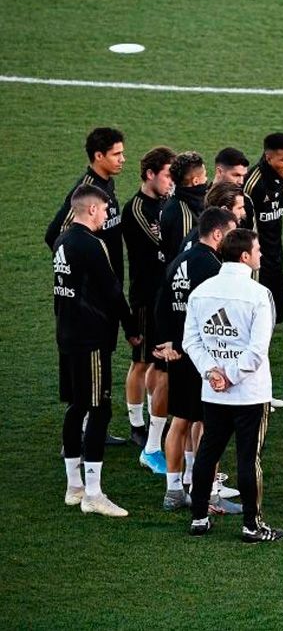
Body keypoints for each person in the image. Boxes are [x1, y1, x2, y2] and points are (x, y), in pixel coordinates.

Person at [182, 228, 283, 542]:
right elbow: (256, 351)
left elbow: (191, 341)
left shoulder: (201, 291)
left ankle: (199, 518)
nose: (261, 255)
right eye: (257, 250)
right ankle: (252, 526)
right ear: (244, 256)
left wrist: (211, 372)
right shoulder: (258, 294)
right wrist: (231, 375)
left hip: (213, 391)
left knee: (208, 452)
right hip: (249, 394)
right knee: (247, 458)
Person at [55, 185, 141, 517]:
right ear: (91, 210)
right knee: (98, 409)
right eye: (104, 210)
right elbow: (112, 291)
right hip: (90, 339)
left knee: (77, 407)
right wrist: (131, 328)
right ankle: (93, 493)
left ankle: (74, 486)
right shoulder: (92, 244)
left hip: (67, 335)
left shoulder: (63, 242)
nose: (107, 215)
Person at [153, 207, 239, 512]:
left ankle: (175, 489)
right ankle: (209, 492)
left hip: (176, 353)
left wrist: (165, 342)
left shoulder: (181, 260)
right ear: (218, 234)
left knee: (180, 421)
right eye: (232, 232)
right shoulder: (212, 265)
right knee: (206, 424)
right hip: (199, 354)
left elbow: (162, 304)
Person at [122, 146, 175, 469]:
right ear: (150, 174)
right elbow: (162, 243)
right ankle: (136, 424)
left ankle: (156, 417)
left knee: (158, 361)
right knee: (141, 362)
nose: (170, 181)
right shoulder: (138, 209)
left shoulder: (165, 203)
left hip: (162, 297)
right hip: (145, 296)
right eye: (167, 174)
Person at [46, 127, 126, 288]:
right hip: (95, 289)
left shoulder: (108, 182)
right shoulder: (86, 191)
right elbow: (55, 234)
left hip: (111, 282)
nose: (122, 159)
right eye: (116, 154)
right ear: (98, 156)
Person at [244, 132, 283, 325]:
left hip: (276, 254)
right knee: (255, 316)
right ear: (268, 157)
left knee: (273, 315)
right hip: (256, 257)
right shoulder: (252, 184)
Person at [159, 151, 208, 260]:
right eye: (204, 175)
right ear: (196, 181)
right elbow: (184, 259)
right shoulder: (184, 215)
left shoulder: (180, 201)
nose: (206, 179)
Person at [213, 147, 253, 229]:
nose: (241, 181)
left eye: (244, 176)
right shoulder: (201, 200)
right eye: (237, 175)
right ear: (219, 172)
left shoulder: (246, 201)